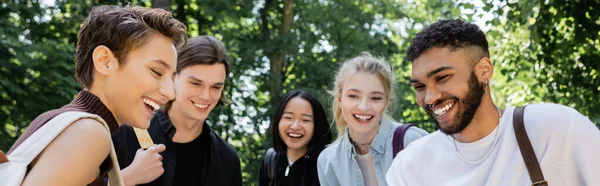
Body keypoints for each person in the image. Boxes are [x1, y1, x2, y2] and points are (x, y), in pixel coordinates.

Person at [386, 19, 600, 185]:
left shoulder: (556, 129)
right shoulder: (410, 167)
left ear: (484, 71)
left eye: (442, 78)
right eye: (419, 87)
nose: (430, 97)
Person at [7, 5, 187, 186]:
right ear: (104, 61)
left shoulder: (64, 122)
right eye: (156, 72)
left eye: (172, 78)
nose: (170, 93)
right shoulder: (88, 132)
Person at [112, 36, 243, 186]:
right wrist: (128, 178)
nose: (206, 96)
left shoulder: (227, 159)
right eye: (195, 83)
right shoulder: (125, 133)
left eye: (216, 87)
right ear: (173, 78)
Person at [317, 54, 428, 186]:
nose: (363, 107)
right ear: (340, 100)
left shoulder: (415, 142)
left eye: (375, 98)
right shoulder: (328, 161)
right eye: (353, 96)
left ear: (386, 102)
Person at [258, 90, 332, 186]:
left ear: (318, 125)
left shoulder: (328, 164)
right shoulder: (270, 161)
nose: (295, 126)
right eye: (288, 117)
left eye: (305, 120)